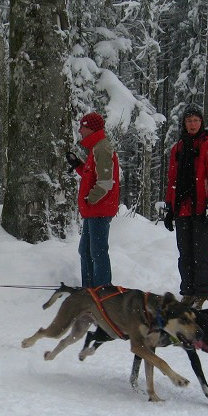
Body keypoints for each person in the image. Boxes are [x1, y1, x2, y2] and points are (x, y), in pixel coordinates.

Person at [163, 106, 208, 300]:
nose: (192, 124)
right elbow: (172, 179)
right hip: (182, 208)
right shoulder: (178, 148)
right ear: (184, 123)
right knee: (185, 253)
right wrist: (170, 207)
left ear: (201, 122)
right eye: (189, 121)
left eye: (196, 120)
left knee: (201, 253)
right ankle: (187, 291)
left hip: (202, 208)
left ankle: (202, 294)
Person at [65, 111, 120, 287]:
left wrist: (91, 199)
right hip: (94, 210)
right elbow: (93, 177)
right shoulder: (96, 148)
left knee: (97, 252)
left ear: (92, 128)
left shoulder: (102, 148)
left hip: (99, 209)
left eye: (83, 126)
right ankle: (89, 291)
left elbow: (105, 182)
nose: (80, 130)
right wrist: (78, 165)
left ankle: (102, 291)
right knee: (86, 251)